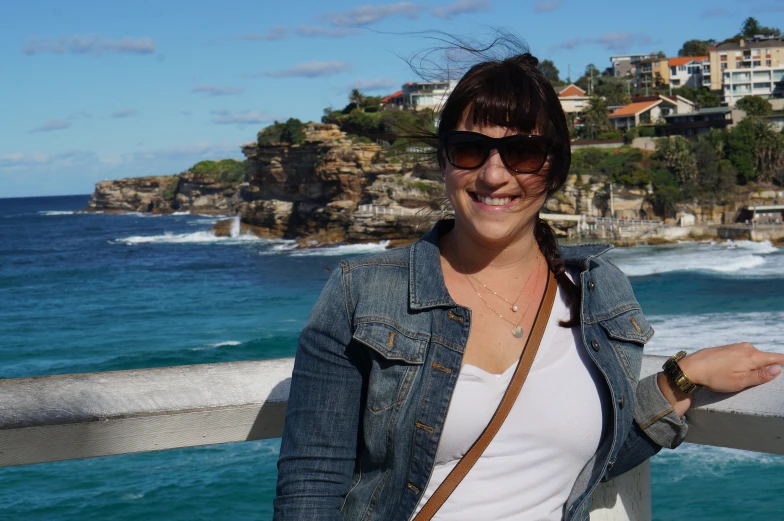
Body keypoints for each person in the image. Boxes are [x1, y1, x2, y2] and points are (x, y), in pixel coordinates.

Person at [273, 44, 784, 521]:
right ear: (444, 161)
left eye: (522, 153)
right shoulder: (361, 293)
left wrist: (680, 379)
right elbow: (310, 483)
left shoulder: (599, 290)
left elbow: (590, 456)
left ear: (555, 166)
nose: (494, 176)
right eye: (470, 149)